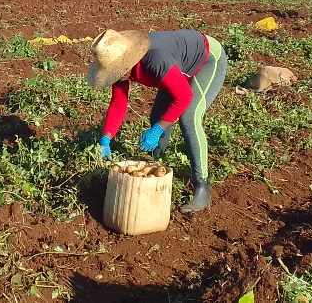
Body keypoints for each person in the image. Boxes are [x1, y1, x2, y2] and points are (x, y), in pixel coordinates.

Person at [87, 28, 227, 213]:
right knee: (157, 117)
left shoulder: (154, 59)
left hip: (207, 59)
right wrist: (105, 138)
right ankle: (155, 166)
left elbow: (184, 96)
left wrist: (158, 130)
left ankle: (202, 188)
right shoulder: (120, 68)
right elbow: (118, 104)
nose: (113, 76)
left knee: (189, 118)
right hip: (175, 66)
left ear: (126, 62)